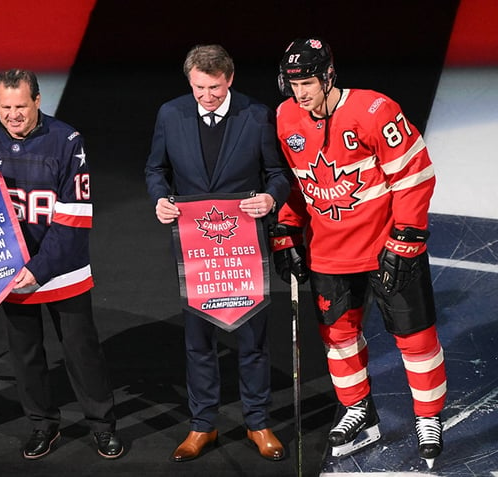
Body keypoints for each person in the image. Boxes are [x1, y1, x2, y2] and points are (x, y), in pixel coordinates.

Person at [272, 37, 447, 468]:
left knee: (415, 336)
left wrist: (406, 239)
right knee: (338, 339)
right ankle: (358, 409)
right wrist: (286, 228)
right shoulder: (285, 117)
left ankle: (428, 416)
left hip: (387, 246)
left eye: (309, 83)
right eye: (293, 85)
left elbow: (415, 174)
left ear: (329, 75)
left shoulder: (375, 111)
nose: (301, 94)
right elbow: (299, 183)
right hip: (330, 253)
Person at [0, 69, 124, 460]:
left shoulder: (68, 141)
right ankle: (43, 424)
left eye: (21, 107)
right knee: (24, 352)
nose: (13, 115)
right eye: (5, 107)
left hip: (63, 269)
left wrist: (40, 269)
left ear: (38, 101)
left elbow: (73, 220)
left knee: (81, 350)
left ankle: (101, 425)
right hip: (10, 268)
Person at [145, 44, 291, 463]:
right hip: (195, 248)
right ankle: (202, 425)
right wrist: (161, 199)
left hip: (245, 244)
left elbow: (277, 173)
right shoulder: (171, 114)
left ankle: (258, 421)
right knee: (198, 341)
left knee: (253, 340)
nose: (206, 96)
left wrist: (269, 198)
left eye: (213, 87)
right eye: (198, 88)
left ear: (229, 80)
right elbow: (156, 169)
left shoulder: (257, 114)